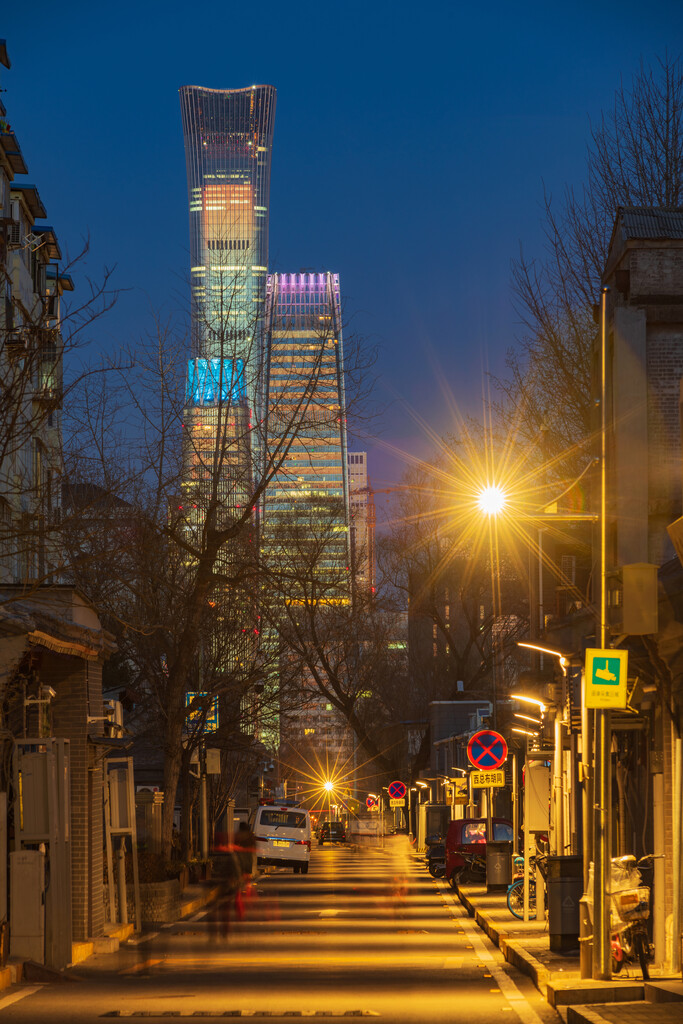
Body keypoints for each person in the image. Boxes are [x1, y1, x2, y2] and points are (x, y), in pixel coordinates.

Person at [233, 820, 256, 920]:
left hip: (239, 865)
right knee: (248, 885)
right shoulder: (251, 838)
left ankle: (240, 909)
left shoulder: (238, 837)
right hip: (248, 865)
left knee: (238, 888)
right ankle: (248, 901)